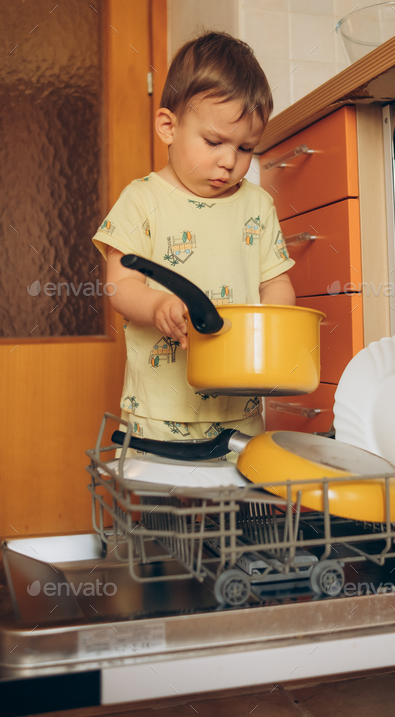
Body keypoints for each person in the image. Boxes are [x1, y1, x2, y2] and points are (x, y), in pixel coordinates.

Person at [92, 31, 296, 451]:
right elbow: (120, 284)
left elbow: (275, 283)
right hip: (160, 407)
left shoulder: (256, 205)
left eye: (245, 148)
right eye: (214, 142)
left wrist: (274, 328)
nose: (229, 161)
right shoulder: (142, 199)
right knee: (165, 505)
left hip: (238, 407)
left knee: (234, 505)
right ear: (168, 126)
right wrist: (157, 305)